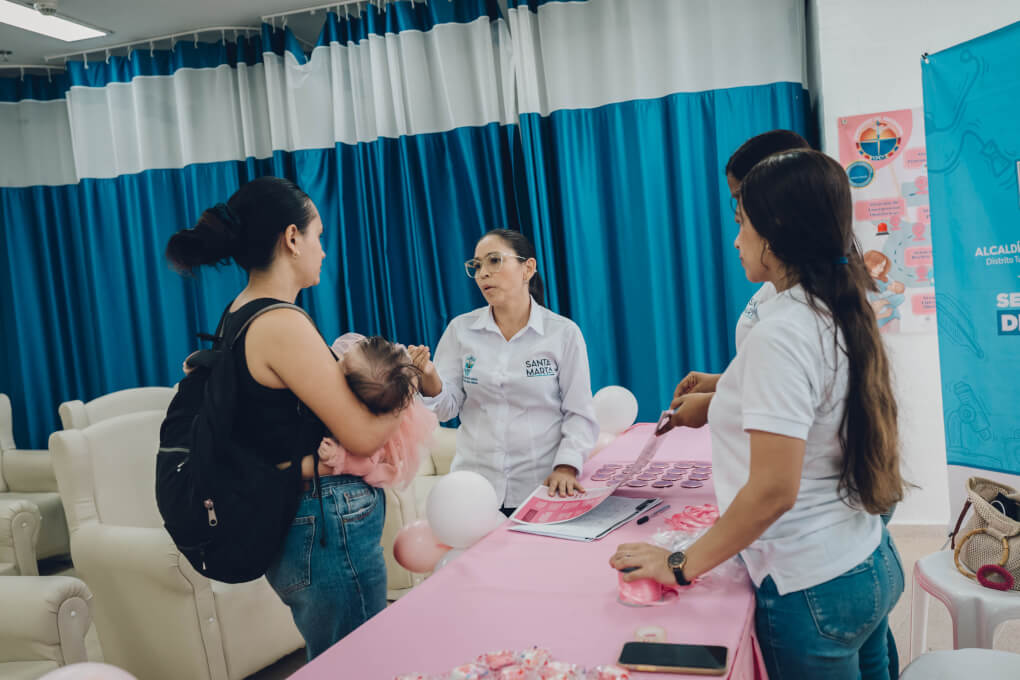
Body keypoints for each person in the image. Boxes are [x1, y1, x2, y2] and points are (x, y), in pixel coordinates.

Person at [610, 150, 907, 680]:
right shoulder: (834, 305)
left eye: (742, 223)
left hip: (811, 586)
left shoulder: (783, 331)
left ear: (776, 232)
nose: (735, 240)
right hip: (867, 557)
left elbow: (773, 490)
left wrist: (680, 566)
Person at [165, 176, 400, 659]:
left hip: (304, 519)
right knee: (358, 663)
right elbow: (360, 433)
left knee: (339, 658)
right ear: (292, 238)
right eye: (318, 236)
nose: (324, 252)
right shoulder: (280, 324)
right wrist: (406, 386)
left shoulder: (239, 313)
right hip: (324, 524)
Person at [411, 229, 599, 516]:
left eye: (494, 261)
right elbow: (446, 409)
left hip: (542, 486)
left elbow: (580, 413)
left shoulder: (562, 334)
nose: (483, 273)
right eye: (476, 266)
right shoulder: (460, 331)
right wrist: (428, 376)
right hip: (474, 488)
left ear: (528, 268)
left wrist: (566, 467)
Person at [661, 130, 810, 433]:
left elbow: (792, 401)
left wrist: (713, 404)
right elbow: (775, 379)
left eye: (741, 211)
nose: (736, 235)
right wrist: (723, 384)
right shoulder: (778, 294)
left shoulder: (792, 321)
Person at [315, 333, 438, 489]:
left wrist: (340, 457)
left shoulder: (372, 429)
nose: (339, 361)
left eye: (344, 364)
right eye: (344, 355)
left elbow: (366, 464)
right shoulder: (365, 363)